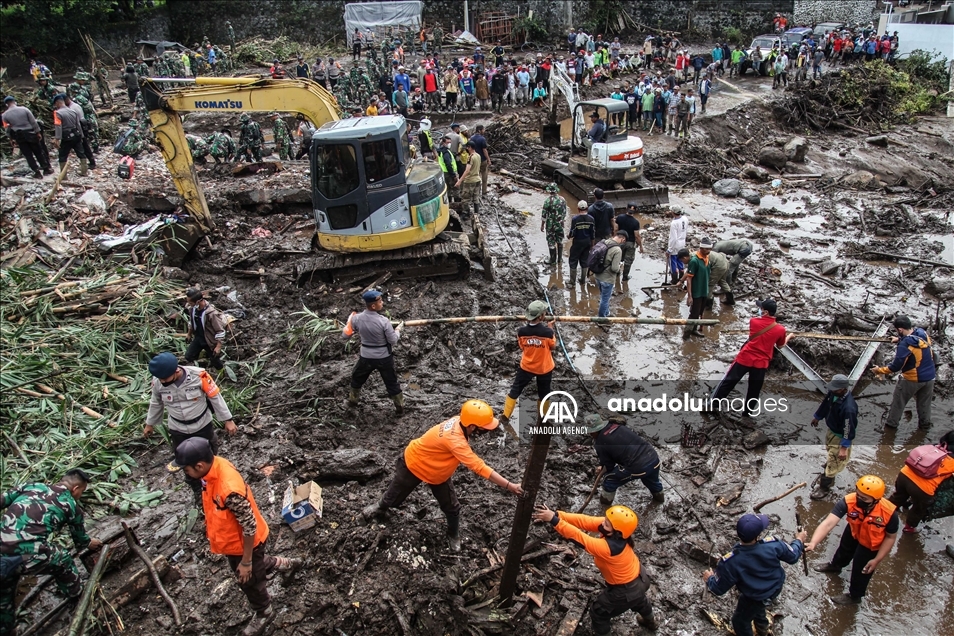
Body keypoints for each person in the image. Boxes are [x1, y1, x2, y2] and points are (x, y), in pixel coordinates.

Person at [173, 438, 301, 636]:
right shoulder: (214, 466)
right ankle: (286, 564)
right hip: (234, 541)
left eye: (186, 469)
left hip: (245, 545)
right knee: (257, 566)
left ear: (199, 465)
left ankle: (264, 612)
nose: (185, 473)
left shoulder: (228, 489)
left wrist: (247, 562)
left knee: (250, 581)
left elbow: (249, 526)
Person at [362, 400, 523, 551]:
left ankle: (453, 534)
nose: (486, 431)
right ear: (473, 427)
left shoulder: (460, 420)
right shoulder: (455, 441)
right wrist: (510, 486)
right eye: (484, 428)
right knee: (395, 495)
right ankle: (380, 506)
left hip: (438, 472)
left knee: (452, 507)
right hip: (414, 463)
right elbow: (479, 467)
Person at [0, 470, 103, 635]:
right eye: (82, 492)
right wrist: (90, 543)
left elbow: (2, 500)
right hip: (26, 554)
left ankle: (6, 629)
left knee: (4, 592)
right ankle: (76, 594)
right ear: (76, 488)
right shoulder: (71, 505)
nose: (80, 495)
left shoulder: (31, 486)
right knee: (63, 559)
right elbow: (81, 542)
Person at [532, 504, 656, 636]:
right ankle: (650, 622)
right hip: (641, 578)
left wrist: (554, 520)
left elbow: (579, 537)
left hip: (625, 590)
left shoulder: (607, 548)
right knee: (640, 599)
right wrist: (557, 515)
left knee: (598, 613)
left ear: (617, 532)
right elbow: (585, 520)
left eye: (607, 524)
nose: (603, 523)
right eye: (605, 519)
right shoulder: (615, 531)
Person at [145, 352, 237, 503]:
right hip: (178, 429)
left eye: (165, 378)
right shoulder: (158, 382)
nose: (162, 381)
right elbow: (156, 403)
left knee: (209, 457)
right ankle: (197, 491)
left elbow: (215, 398)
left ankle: (216, 486)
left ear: (176, 371)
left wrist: (228, 420)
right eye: (160, 379)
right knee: (185, 461)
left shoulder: (199, 376)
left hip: (202, 425)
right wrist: (150, 424)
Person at [703, 513, 806, 636]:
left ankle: (760, 627)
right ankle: (762, 628)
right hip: (774, 587)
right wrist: (799, 540)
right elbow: (793, 556)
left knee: (739, 621)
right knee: (758, 607)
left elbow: (719, 589)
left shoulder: (730, 562)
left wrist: (709, 578)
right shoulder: (773, 545)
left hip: (754, 595)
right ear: (758, 535)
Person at [806, 475, 899, 605]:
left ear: (876, 500)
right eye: (858, 495)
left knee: (862, 569)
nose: (859, 499)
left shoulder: (889, 513)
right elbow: (829, 522)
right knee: (844, 549)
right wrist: (814, 542)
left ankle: (855, 596)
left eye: (864, 498)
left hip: (871, 543)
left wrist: (877, 559)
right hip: (854, 531)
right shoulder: (849, 501)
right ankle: (835, 566)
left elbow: (890, 537)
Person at [709, 299, 793, 418]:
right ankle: (746, 414)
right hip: (761, 363)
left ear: (765, 312)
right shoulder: (780, 330)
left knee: (728, 382)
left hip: (745, 358)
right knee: (754, 390)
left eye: (761, 309)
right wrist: (789, 336)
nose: (759, 310)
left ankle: (713, 405)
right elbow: (780, 345)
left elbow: (758, 332)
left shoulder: (754, 321)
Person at [342, 289, 405, 414]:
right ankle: (400, 407)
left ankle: (352, 401)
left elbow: (345, 336)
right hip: (384, 358)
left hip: (366, 357)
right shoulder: (384, 321)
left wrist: (348, 323)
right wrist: (398, 330)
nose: (382, 303)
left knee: (357, 378)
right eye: (380, 301)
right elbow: (393, 340)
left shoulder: (356, 319)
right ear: (373, 305)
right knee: (391, 382)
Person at [870, 315, 936, 430]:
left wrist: (879, 370)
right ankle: (924, 428)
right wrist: (899, 339)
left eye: (897, 331)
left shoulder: (905, 345)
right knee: (925, 405)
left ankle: (890, 429)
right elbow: (916, 341)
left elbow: (895, 367)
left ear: (900, 329)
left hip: (912, 380)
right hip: (930, 378)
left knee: (898, 404)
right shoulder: (922, 333)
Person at [586, 414, 663, 506]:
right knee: (652, 481)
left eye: (590, 432)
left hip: (638, 466)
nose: (590, 435)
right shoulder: (617, 426)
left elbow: (609, 466)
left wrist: (602, 468)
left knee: (610, 479)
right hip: (653, 458)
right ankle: (660, 501)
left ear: (594, 431)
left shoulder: (600, 442)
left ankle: (604, 507)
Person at [500, 301, 556, 427]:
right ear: (541, 316)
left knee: (515, 390)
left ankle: (505, 416)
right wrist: (551, 329)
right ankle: (543, 418)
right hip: (544, 368)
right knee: (544, 393)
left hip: (526, 367)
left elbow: (522, 347)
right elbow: (552, 346)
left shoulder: (522, 332)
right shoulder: (547, 333)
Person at [888, 430, 954, 533]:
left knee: (898, 496)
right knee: (918, 509)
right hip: (921, 490)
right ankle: (909, 528)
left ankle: (885, 511)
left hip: (904, 475)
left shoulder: (934, 447)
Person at [810, 374, 859, 500]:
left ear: (843, 389)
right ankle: (830, 462)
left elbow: (849, 428)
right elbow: (825, 405)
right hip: (832, 429)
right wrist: (818, 417)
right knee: (830, 450)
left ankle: (824, 487)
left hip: (841, 435)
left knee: (834, 460)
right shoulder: (833, 394)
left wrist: (844, 447)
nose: (832, 390)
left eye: (835, 389)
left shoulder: (848, 408)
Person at [2, 96, 52, 178]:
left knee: (28, 155)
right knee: (38, 152)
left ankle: (37, 172)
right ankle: (46, 169)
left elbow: (7, 128)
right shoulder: (24, 109)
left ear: (7, 104)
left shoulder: (4, 115)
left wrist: (11, 139)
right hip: (31, 133)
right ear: (14, 102)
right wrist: (38, 132)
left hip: (19, 136)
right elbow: (33, 122)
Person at [184, 288, 227, 369]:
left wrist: (218, 346)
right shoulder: (192, 309)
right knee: (189, 356)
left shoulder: (211, 313)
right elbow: (191, 322)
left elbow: (220, 331)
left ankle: (221, 372)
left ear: (197, 302)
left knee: (215, 361)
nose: (188, 304)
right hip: (198, 338)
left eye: (190, 302)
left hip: (209, 340)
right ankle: (199, 369)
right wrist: (189, 334)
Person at [51, 93, 88, 176]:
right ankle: (84, 171)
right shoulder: (73, 111)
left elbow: (58, 126)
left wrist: (57, 139)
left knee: (63, 156)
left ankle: (63, 176)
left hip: (66, 137)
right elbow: (78, 124)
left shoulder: (57, 113)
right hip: (76, 135)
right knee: (81, 153)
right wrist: (81, 135)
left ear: (57, 103)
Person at [682, 238, 712, 339]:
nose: (709, 251)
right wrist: (689, 296)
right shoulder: (694, 261)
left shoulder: (707, 259)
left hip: (704, 291)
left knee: (699, 312)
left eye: (710, 249)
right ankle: (686, 334)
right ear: (701, 248)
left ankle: (694, 330)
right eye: (707, 249)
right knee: (693, 313)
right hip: (696, 292)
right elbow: (689, 279)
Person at [595, 232, 626, 318]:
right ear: (622, 239)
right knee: (605, 299)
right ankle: (601, 318)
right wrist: (620, 268)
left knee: (603, 296)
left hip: (598, 276)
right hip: (607, 279)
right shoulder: (617, 250)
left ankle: (607, 312)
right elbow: (614, 268)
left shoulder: (603, 242)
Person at [568, 200, 596, 286]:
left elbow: (572, 232)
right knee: (584, 260)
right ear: (587, 208)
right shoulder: (591, 219)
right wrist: (592, 245)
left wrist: (569, 236)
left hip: (577, 242)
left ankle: (572, 282)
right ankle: (583, 280)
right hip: (587, 242)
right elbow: (593, 233)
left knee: (573, 260)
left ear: (578, 209)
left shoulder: (575, 219)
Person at [614, 204, 643, 281]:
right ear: (635, 210)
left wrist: (614, 239)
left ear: (626, 208)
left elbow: (616, 229)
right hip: (630, 243)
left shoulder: (619, 218)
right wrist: (641, 246)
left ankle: (617, 274)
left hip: (620, 241)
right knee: (628, 261)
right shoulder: (635, 222)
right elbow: (637, 236)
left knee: (617, 258)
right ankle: (625, 277)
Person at [541, 184, 567, 266]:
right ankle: (560, 259)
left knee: (551, 242)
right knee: (560, 240)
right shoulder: (562, 199)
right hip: (559, 224)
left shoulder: (548, 201)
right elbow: (564, 212)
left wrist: (542, 225)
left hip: (550, 225)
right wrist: (562, 221)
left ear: (550, 191)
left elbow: (544, 215)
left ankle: (552, 260)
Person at [455, 141, 482, 216]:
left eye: (467, 147)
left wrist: (459, 181)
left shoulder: (470, 157)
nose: (466, 149)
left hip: (470, 181)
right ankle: (476, 214)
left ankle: (465, 214)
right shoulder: (478, 155)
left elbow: (467, 170)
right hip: (477, 180)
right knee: (476, 197)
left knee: (465, 198)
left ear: (470, 147)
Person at [469, 124, 491, 196]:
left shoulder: (471, 138)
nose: (484, 131)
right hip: (482, 160)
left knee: (475, 176)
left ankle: (476, 192)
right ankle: (484, 192)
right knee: (484, 175)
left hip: (474, 160)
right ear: (479, 130)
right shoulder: (482, 139)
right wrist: (488, 159)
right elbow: (484, 150)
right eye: (483, 130)